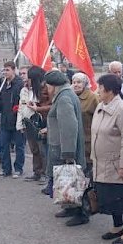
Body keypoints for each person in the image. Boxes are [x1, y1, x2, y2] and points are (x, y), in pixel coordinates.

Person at [91, 74, 123, 244]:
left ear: (110, 90)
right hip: (103, 162)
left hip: (117, 163)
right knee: (111, 196)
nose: (97, 91)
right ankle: (117, 226)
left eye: (100, 88)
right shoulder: (101, 105)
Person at [45, 70, 88, 227]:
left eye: (47, 85)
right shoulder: (66, 95)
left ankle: (81, 212)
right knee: (67, 180)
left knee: (73, 178)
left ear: (53, 85)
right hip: (63, 146)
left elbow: (69, 126)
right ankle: (69, 207)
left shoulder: (64, 98)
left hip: (66, 148)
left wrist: (68, 153)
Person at [0, 61, 25, 178]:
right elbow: (2, 101)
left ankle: (18, 169)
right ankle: (6, 169)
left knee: (19, 146)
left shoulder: (19, 84)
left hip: (17, 120)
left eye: (7, 70)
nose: (5, 72)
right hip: (5, 119)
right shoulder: (4, 84)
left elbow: (21, 102)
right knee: (3, 145)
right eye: (4, 70)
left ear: (14, 70)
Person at [17, 66, 49, 182]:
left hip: (41, 122)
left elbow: (51, 106)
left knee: (42, 150)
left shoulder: (46, 89)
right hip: (29, 122)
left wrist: (37, 107)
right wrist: (20, 124)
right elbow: (21, 106)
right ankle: (37, 172)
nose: (26, 80)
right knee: (34, 149)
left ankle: (45, 173)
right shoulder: (26, 90)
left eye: (29, 78)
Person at [71, 72, 98, 176]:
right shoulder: (70, 96)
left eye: (79, 82)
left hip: (88, 139)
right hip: (75, 139)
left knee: (88, 169)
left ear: (85, 83)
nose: (76, 85)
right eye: (74, 82)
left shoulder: (92, 98)